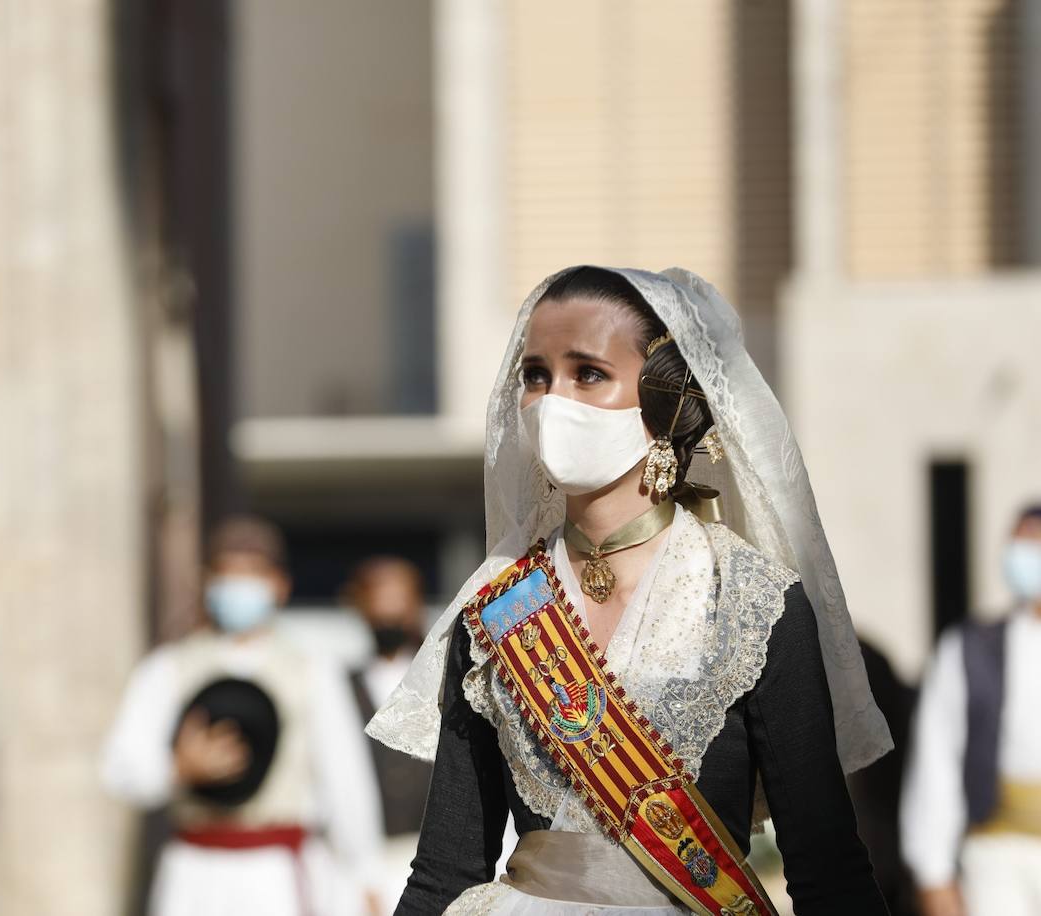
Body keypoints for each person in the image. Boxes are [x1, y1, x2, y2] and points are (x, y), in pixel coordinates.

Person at [365, 266, 894, 915]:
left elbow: (827, 870)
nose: (552, 400)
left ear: (664, 395)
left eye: (587, 373)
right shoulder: (497, 614)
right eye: (536, 375)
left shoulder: (753, 604)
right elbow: (445, 870)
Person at [100, 515, 384, 916]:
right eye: (228, 573)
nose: (239, 585)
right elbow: (121, 769)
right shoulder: (167, 669)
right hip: (194, 872)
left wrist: (363, 874)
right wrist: (177, 768)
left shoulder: (312, 671)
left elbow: (346, 781)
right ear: (207, 582)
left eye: (252, 573)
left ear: (279, 585)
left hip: (278, 871)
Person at [901, 504, 1041, 916]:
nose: (1027, 553)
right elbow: (937, 761)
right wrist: (934, 874)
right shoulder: (969, 648)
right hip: (999, 858)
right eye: (1021, 542)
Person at [344, 557, 436, 911]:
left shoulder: (443, 682)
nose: (389, 610)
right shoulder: (340, 686)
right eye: (379, 597)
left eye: (399, 597)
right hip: (366, 871)